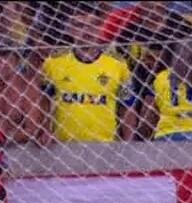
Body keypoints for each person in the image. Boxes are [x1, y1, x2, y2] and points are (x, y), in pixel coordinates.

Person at [41, 8, 138, 143]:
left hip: (106, 146)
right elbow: (43, 100)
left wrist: (129, 144)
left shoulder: (118, 65)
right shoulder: (53, 63)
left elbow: (127, 107)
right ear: (70, 29)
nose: (86, 31)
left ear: (100, 27)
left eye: (92, 25)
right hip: (64, 147)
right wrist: (45, 130)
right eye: (79, 25)